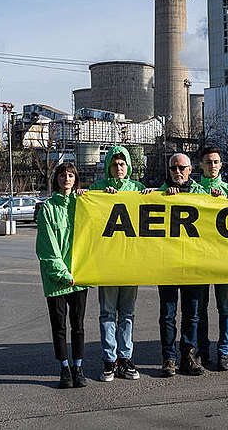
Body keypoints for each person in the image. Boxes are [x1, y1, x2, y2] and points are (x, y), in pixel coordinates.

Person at [144, 152, 208, 376]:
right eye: (173, 169)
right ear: (168, 171)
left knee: (193, 314)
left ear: (191, 169)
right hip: (168, 265)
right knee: (168, 315)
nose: (178, 172)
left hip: (194, 264)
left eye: (182, 168)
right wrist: (155, 196)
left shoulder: (203, 194)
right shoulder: (157, 194)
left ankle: (189, 355)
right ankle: (169, 358)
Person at [88, 145, 143, 382]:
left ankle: (125, 358)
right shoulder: (98, 189)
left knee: (127, 313)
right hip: (108, 261)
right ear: (108, 167)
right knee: (108, 312)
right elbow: (87, 213)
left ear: (128, 166)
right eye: (114, 164)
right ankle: (109, 359)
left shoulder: (137, 189)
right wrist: (99, 197)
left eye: (122, 164)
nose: (118, 168)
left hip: (130, 261)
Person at [36, 162, 88, 389]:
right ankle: (64, 368)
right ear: (56, 179)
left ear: (75, 179)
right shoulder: (47, 209)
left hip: (79, 277)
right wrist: (63, 273)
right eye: (62, 175)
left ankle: (78, 366)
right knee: (59, 326)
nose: (66, 179)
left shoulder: (83, 205)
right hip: (56, 279)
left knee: (78, 325)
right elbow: (47, 247)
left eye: (70, 175)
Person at [195, 146, 228, 372]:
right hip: (201, 259)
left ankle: (224, 352)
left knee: (224, 306)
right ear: (201, 165)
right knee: (200, 308)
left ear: (221, 165)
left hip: (223, 259)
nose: (212, 166)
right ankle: (202, 350)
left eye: (216, 162)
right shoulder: (193, 191)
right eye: (208, 162)